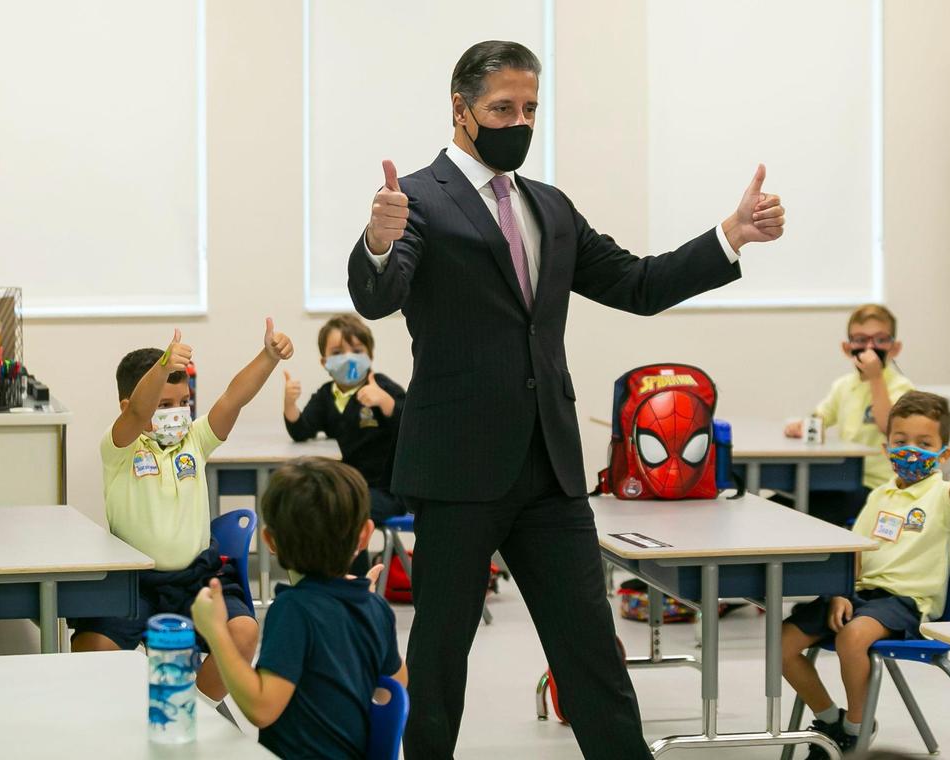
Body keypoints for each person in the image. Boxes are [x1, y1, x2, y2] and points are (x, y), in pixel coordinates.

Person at [346, 39, 786, 759]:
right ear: (460, 110)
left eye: (529, 109)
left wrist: (729, 236)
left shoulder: (549, 207)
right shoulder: (417, 200)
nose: (517, 122)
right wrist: (375, 241)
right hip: (458, 470)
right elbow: (378, 294)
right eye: (501, 109)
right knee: (439, 661)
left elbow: (639, 286)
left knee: (592, 657)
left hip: (549, 470)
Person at [72, 320, 293, 708]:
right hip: (133, 584)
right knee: (92, 646)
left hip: (198, 578)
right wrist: (161, 367)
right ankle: (130, 715)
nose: (177, 414)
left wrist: (269, 357)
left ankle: (191, 709)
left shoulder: (195, 439)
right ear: (129, 407)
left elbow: (233, 398)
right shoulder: (120, 447)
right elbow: (139, 408)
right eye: (163, 406)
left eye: (182, 403)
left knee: (243, 632)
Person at [782, 391, 950, 757]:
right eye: (901, 442)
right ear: (887, 447)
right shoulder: (880, 495)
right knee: (782, 642)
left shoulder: (943, 495)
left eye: (924, 444)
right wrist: (841, 590)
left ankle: (856, 732)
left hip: (906, 600)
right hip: (859, 594)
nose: (911, 451)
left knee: (852, 638)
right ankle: (829, 723)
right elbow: (857, 549)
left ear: (944, 454)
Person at [192, 457, 407, 759]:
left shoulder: (293, 609)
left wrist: (216, 633)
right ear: (365, 534)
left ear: (269, 541)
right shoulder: (375, 606)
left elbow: (262, 708)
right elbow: (395, 687)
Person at [283, 314, 407, 576]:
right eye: (338, 352)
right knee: (317, 506)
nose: (349, 358)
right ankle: (323, 576)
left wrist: (385, 402)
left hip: (385, 490)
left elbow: (411, 424)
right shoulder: (327, 396)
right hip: (346, 487)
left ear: (369, 356)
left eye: (357, 351)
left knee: (344, 510)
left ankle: (354, 582)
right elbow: (302, 429)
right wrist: (290, 404)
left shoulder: (380, 386)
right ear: (325, 362)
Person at [785, 304, 914, 524]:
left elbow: (889, 427)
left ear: (894, 348)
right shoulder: (843, 386)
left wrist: (875, 379)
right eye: (861, 340)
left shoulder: (902, 389)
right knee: (784, 505)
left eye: (880, 340)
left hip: (879, 487)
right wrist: (801, 425)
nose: (870, 347)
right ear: (847, 348)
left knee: (805, 513)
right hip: (843, 479)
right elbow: (819, 418)